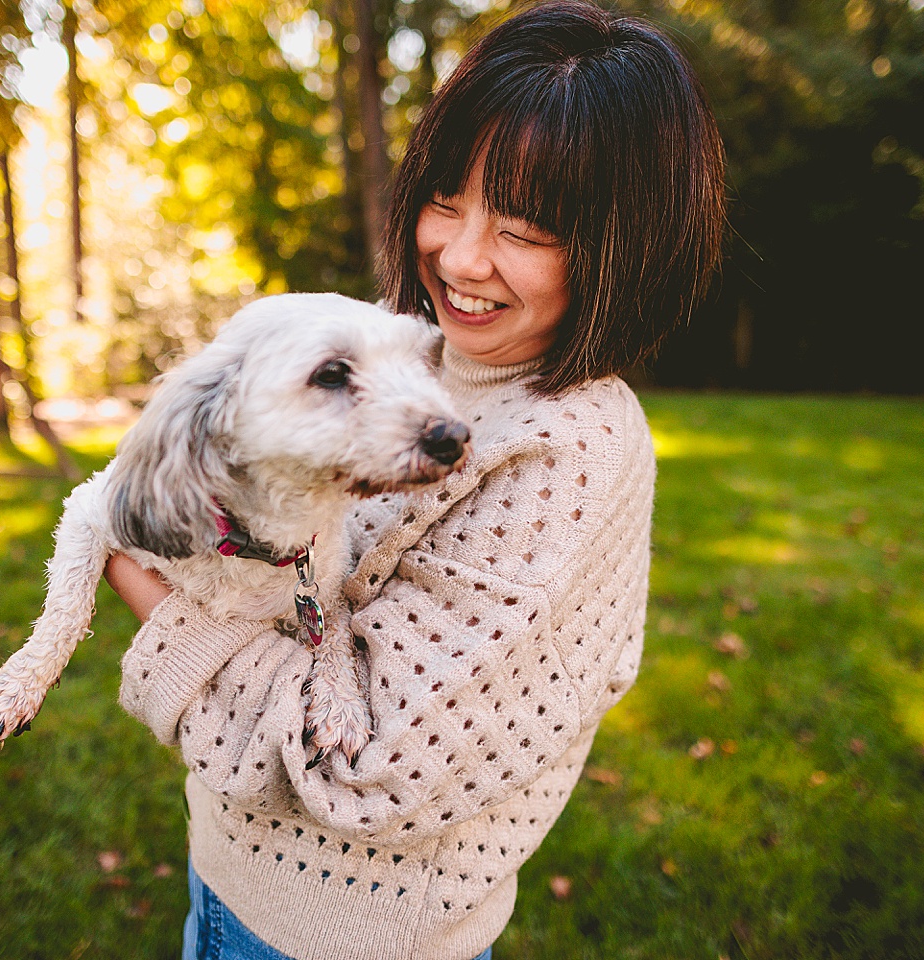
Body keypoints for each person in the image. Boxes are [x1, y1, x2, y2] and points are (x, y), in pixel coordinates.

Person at [104, 3, 726, 958]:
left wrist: (134, 575)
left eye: (524, 225)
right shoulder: (405, 350)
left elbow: (370, 764)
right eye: (446, 197)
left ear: (623, 246)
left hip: (349, 935)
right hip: (227, 871)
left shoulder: (575, 448)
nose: (460, 256)